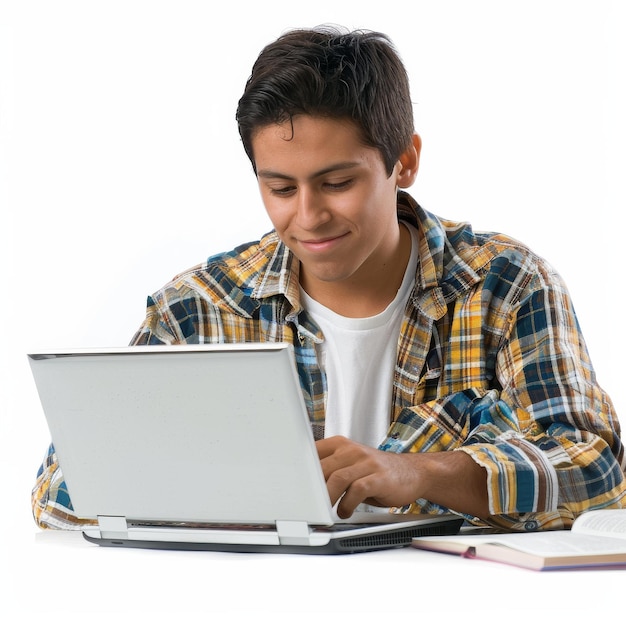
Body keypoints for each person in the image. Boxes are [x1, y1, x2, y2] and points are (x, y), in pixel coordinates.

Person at [32, 26, 625, 532]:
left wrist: (417, 472)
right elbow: (59, 490)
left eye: (338, 183)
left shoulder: (505, 285)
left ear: (405, 162)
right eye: (280, 189)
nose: (309, 216)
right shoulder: (200, 307)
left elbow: (598, 470)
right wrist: (250, 487)